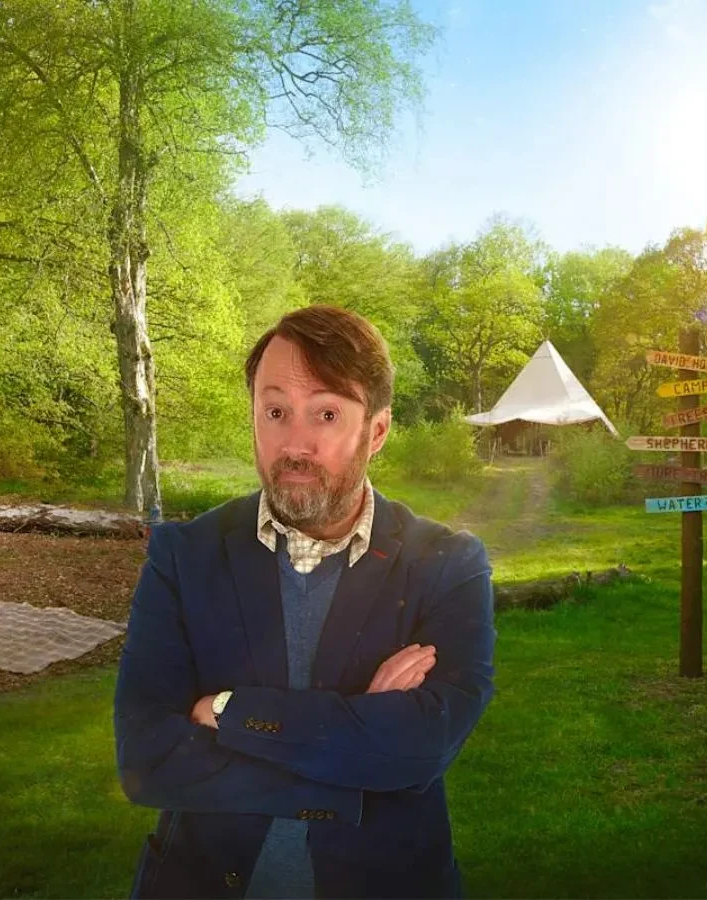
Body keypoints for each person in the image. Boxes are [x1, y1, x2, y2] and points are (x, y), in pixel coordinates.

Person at [114, 304, 497, 899]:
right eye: (275, 412)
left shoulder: (447, 564)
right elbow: (147, 758)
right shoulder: (184, 556)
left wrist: (229, 713)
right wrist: (359, 743)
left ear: (376, 431)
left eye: (325, 413)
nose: (294, 444)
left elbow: (421, 747)